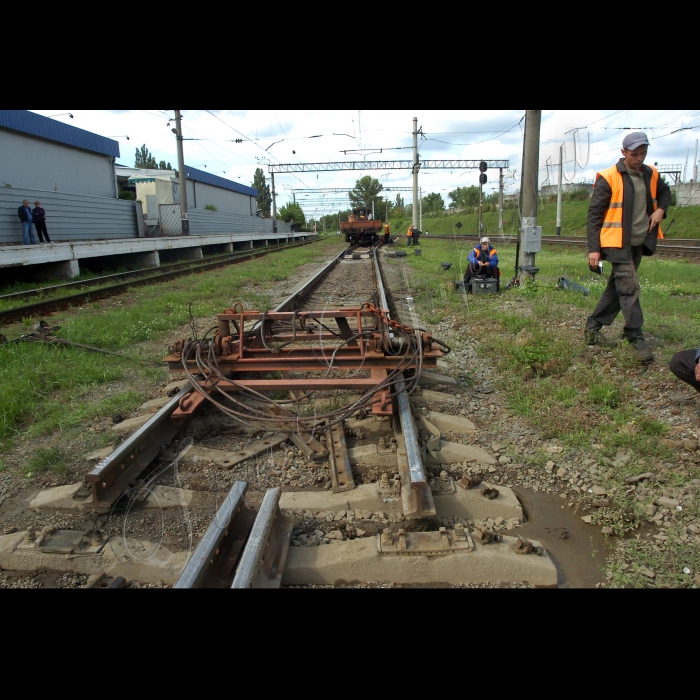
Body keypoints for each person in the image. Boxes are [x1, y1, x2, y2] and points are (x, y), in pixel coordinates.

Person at [584, 132, 671, 362]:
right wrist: (594, 249)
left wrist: (661, 209)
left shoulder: (651, 173)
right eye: (634, 154)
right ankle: (635, 335)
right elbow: (594, 216)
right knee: (629, 287)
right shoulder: (609, 177)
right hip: (615, 244)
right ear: (623, 152)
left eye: (643, 153)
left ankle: (592, 329)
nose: (639, 158)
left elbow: (665, 193)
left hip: (638, 242)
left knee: (617, 287)